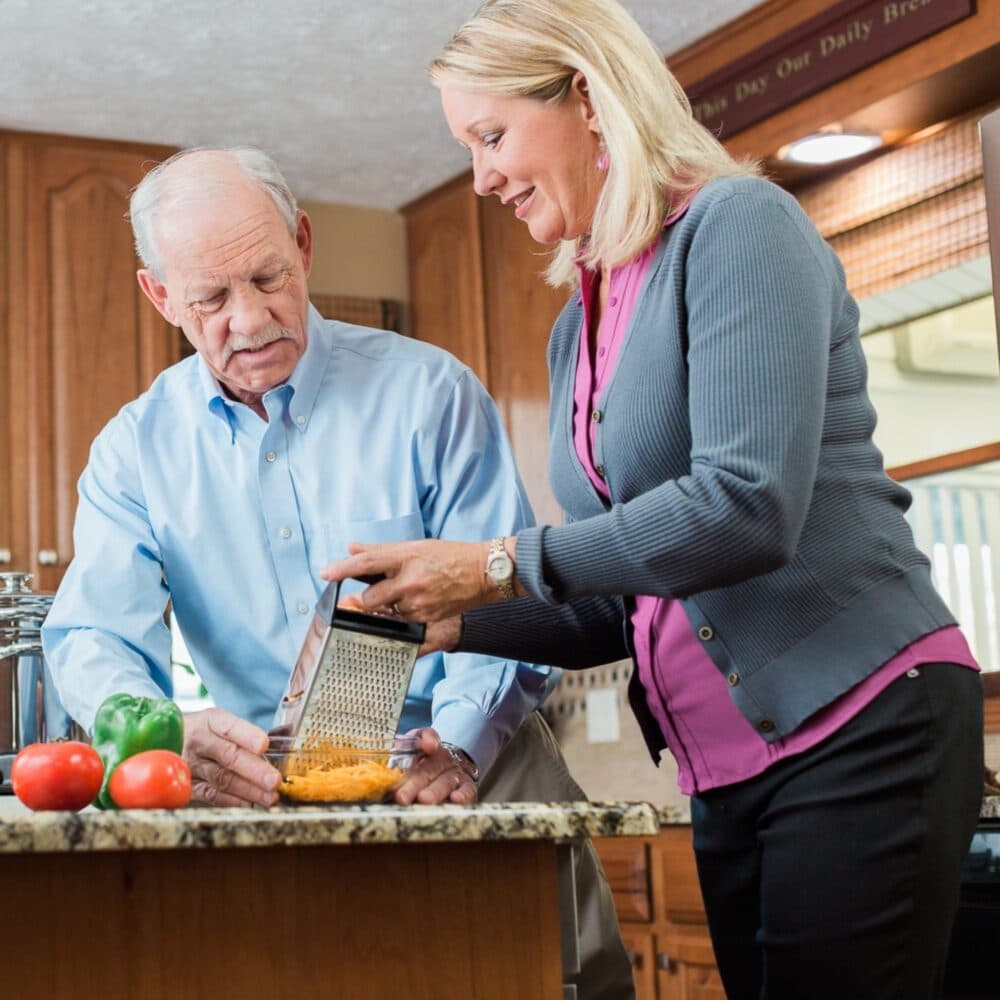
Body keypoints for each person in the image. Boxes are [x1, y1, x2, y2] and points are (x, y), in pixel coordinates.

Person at [322, 2, 986, 998]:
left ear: (586, 97)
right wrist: (452, 617)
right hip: (725, 767)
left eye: (492, 136)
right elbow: (623, 604)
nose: (483, 178)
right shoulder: (575, 325)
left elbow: (743, 508)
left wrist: (497, 558)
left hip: (860, 722)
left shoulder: (737, 226)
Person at [41, 146, 635, 1000]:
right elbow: (94, 633)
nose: (249, 320)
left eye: (268, 277)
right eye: (210, 298)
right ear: (161, 296)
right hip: (276, 799)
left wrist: (462, 746)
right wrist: (165, 730)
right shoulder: (133, 452)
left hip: (478, 766)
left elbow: (504, 597)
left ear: (305, 245)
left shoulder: (430, 392)